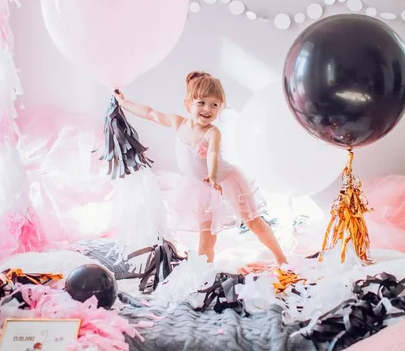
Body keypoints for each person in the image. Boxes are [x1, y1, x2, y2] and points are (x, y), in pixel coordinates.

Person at [114, 71, 287, 265]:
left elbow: (213, 154)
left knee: (253, 221)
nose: (208, 109)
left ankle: (281, 258)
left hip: (224, 180)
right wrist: (124, 103)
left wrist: (212, 176)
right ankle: (205, 270)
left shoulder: (213, 132)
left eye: (215, 104)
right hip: (200, 188)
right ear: (188, 104)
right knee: (206, 235)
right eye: (202, 102)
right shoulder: (177, 123)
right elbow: (150, 113)